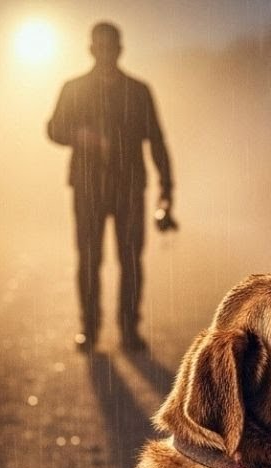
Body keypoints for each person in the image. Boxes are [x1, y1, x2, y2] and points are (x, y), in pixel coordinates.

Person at [48, 21, 174, 353]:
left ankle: (128, 330)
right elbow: (54, 129)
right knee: (89, 259)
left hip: (129, 189)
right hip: (88, 188)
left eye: (111, 47)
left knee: (130, 261)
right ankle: (89, 329)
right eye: (100, 47)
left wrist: (167, 188)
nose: (106, 53)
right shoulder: (74, 89)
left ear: (120, 50)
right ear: (91, 49)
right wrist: (81, 136)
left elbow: (156, 140)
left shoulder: (138, 91)